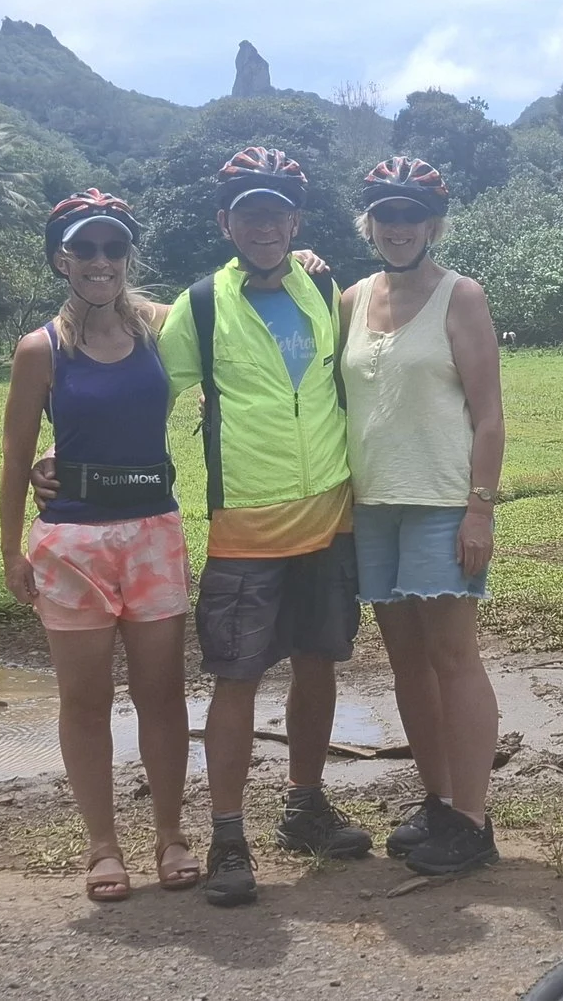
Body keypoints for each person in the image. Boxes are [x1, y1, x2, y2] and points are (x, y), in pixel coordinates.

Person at [168, 146, 371, 907]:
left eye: (276, 210)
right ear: (225, 221)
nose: (263, 224)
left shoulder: (321, 282)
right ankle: (227, 836)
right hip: (246, 527)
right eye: (248, 211)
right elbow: (155, 390)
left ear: (296, 220)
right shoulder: (203, 305)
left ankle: (305, 806)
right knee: (236, 679)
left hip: (329, 517)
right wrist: (66, 449)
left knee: (318, 661)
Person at [0, 190, 196, 904]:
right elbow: (18, 454)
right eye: (86, 249)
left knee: (162, 696)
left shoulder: (161, 329)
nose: (101, 262)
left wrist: (301, 261)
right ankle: (104, 846)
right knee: (83, 700)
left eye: (114, 249)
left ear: (128, 257)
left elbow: (230, 310)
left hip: (152, 534)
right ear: (62, 259)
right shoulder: (39, 350)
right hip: (72, 542)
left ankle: (171, 835)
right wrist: (10, 549)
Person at [338, 157, 506, 876]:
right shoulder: (349, 297)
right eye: (386, 213)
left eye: (412, 214)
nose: (399, 226)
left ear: (433, 223)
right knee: (407, 663)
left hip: (441, 501)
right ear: (369, 222)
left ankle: (472, 819)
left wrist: (481, 509)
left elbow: (489, 415)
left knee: (452, 658)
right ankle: (437, 801)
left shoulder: (460, 297)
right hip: (373, 505)